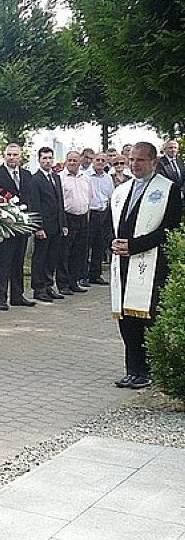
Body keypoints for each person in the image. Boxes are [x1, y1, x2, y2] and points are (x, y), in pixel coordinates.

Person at [111, 142, 182, 390]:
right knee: (126, 318)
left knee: (145, 317)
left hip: (151, 264)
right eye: (131, 159)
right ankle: (132, 369)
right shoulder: (123, 190)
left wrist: (135, 245)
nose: (134, 164)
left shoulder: (168, 189)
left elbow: (169, 229)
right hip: (123, 261)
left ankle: (147, 370)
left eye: (140, 160)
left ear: (154, 162)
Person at [0, 143, 35, 309]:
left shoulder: (27, 174)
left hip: (22, 225)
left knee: (18, 261)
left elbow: (29, 198)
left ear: (20, 156)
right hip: (5, 225)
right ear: (4, 155)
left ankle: (17, 295)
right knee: (3, 262)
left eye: (15, 155)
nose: (12, 158)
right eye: (9, 154)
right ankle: (0, 298)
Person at [27, 147, 67, 303]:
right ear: (39, 160)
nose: (47, 161)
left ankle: (49, 285)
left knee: (52, 257)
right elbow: (34, 204)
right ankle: (39, 288)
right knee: (40, 258)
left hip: (56, 225)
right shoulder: (35, 179)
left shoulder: (56, 177)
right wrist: (38, 227)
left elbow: (60, 201)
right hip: (44, 226)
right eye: (44, 158)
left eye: (50, 158)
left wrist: (63, 223)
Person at [58, 151, 92, 295]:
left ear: (80, 162)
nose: (72, 163)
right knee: (65, 253)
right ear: (66, 162)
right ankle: (63, 284)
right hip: (68, 217)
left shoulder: (86, 178)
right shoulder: (60, 178)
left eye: (75, 160)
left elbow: (89, 198)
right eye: (70, 160)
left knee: (79, 252)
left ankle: (74, 281)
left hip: (83, 217)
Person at [86, 152, 115, 285]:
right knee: (86, 245)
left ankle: (95, 274)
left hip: (103, 213)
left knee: (100, 245)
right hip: (90, 213)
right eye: (98, 160)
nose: (100, 162)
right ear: (93, 161)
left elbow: (111, 197)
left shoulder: (108, 178)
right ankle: (83, 274)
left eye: (103, 160)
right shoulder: (86, 176)